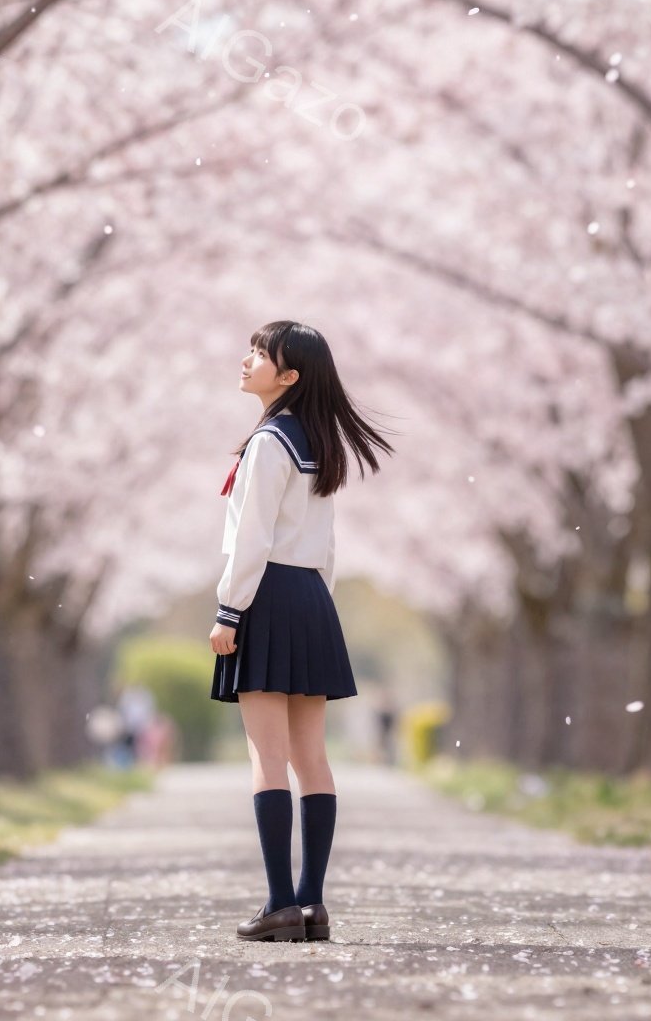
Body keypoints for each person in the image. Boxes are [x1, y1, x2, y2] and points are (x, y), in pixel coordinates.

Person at [209, 320, 395, 944]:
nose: (247, 359)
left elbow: (252, 538)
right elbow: (328, 545)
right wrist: (316, 606)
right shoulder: (317, 440)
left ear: (287, 377)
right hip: (313, 597)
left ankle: (279, 904)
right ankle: (312, 905)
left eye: (260, 354)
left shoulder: (268, 442)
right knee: (312, 757)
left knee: (268, 757)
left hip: (265, 594)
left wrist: (229, 611)